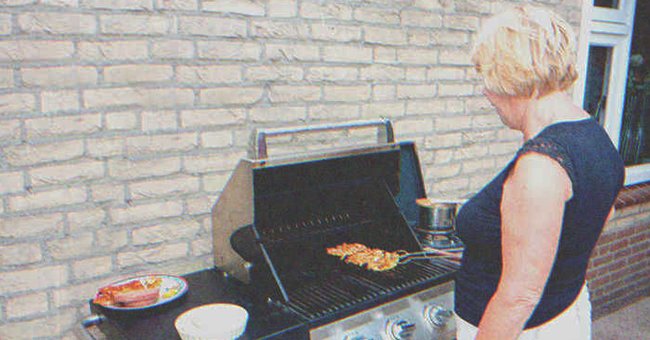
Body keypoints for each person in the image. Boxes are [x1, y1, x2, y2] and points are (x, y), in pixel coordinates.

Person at [454, 5, 625, 340]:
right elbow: (602, 215)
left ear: (513, 76)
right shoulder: (594, 135)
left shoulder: (541, 167)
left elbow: (519, 297)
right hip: (566, 312)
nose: (485, 92)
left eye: (487, 77)